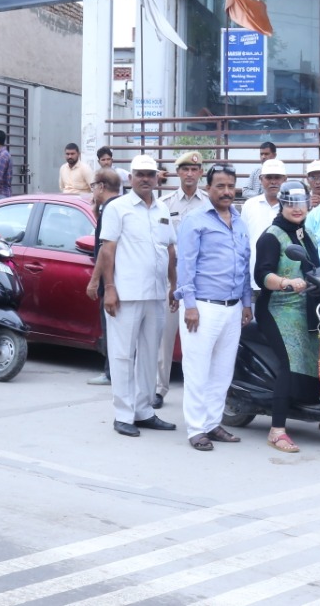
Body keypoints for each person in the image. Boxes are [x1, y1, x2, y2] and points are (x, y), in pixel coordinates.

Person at [254, 180, 320, 453]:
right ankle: (277, 430)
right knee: (288, 360)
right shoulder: (271, 236)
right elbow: (261, 275)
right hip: (278, 309)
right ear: (281, 204)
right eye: (290, 204)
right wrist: (284, 282)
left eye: (301, 203)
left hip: (306, 306)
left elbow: (315, 267)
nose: (296, 209)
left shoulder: (306, 233)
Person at [97, 155, 178, 437]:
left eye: (150, 174)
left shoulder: (162, 210)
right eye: (140, 174)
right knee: (121, 355)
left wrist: (173, 286)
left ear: (158, 178)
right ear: (130, 178)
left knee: (148, 355)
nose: (146, 179)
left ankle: (144, 410)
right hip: (125, 293)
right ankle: (123, 413)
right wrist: (109, 288)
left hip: (156, 294)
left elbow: (169, 251)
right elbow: (108, 249)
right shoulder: (117, 208)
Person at [175, 163, 253, 451]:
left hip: (232, 308)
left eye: (231, 186)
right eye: (220, 186)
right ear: (208, 188)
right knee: (197, 370)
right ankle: (196, 429)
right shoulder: (195, 221)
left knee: (222, 371)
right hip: (203, 308)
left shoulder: (239, 221)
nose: (226, 191)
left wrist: (246, 303)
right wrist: (190, 306)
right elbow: (185, 264)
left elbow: (244, 266)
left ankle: (212, 423)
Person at [155, 151, 210, 409]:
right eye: (185, 169)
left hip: (200, 280)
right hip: (171, 277)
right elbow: (160, 242)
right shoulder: (164, 204)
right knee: (165, 337)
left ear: (200, 173)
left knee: (197, 339)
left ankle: (197, 393)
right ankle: (158, 389)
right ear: (178, 173)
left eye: (194, 170)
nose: (190, 174)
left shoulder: (209, 204)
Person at [84, 167, 122, 386]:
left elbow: (104, 249)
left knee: (110, 325)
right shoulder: (117, 207)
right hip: (122, 277)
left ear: (101, 186)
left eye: (93, 186)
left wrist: (95, 280)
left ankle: (110, 372)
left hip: (111, 279)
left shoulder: (110, 210)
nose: (93, 191)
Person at [242, 158, 287, 289]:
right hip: (255, 279)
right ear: (261, 180)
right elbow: (244, 243)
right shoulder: (249, 205)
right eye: (269, 177)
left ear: (285, 179)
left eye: (277, 177)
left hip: (286, 280)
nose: (273, 181)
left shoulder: (292, 206)